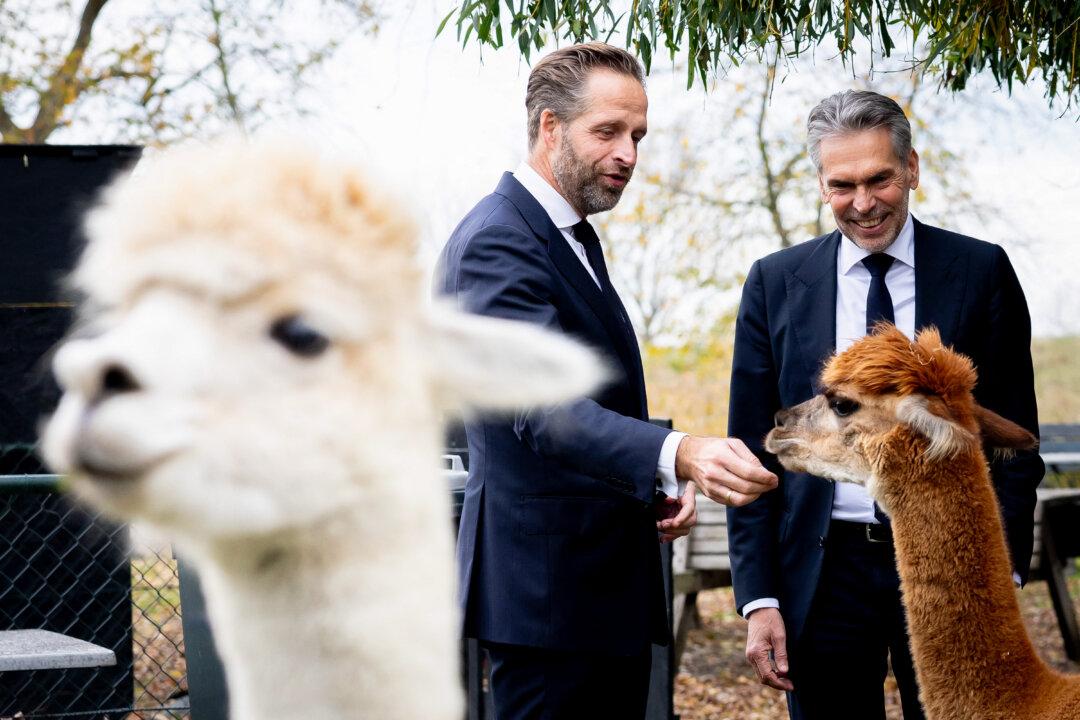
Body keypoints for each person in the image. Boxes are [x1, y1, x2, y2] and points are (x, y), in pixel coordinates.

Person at [437, 42, 778, 720]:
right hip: (547, 606)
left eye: (638, 135)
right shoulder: (497, 241)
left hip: (592, 597)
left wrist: (649, 484)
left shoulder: (569, 236)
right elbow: (544, 413)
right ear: (549, 127)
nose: (629, 153)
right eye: (609, 132)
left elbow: (591, 411)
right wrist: (679, 451)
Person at [727, 89, 1045, 720]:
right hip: (823, 570)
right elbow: (750, 450)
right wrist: (759, 597)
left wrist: (998, 579)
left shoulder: (979, 272)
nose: (864, 203)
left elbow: (1012, 443)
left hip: (947, 565)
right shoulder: (775, 283)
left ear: (912, 170)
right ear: (821, 184)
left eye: (880, 179)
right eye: (842, 184)